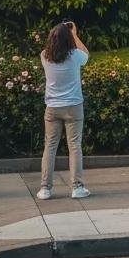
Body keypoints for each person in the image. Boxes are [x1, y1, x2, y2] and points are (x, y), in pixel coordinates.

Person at [37, 21, 91, 200]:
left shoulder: (44, 55)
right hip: (73, 106)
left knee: (50, 146)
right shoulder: (75, 55)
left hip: (52, 107)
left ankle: (45, 188)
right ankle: (77, 187)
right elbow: (86, 55)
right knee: (74, 146)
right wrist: (74, 34)